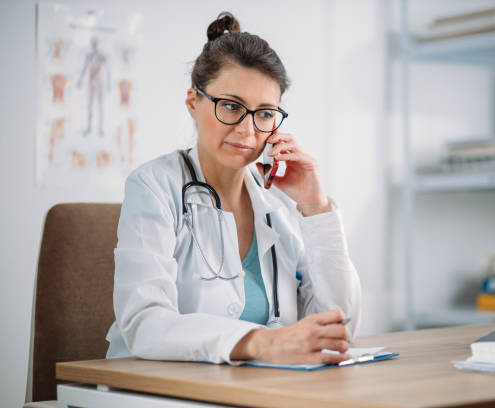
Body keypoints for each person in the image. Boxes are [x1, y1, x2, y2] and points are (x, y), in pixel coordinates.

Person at [105, 12, 361, 365]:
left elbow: (339, 326)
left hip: (260, 390)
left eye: (265, 113)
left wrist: (316, 206)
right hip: (159, 392)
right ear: (193, 102)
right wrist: (259, 342)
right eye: (231, 106)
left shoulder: (282, 201)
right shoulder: (153, 185)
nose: (248, 129)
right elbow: (144, 324)